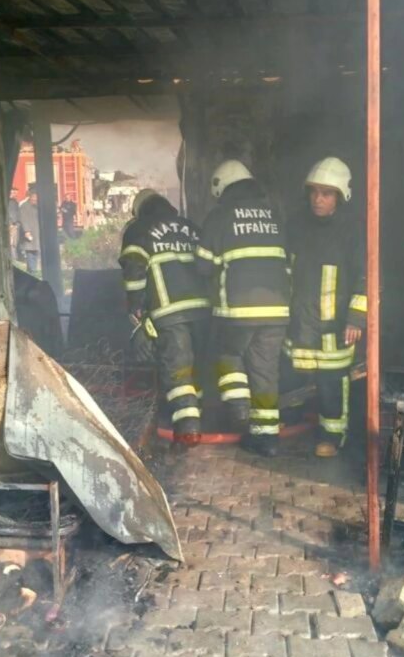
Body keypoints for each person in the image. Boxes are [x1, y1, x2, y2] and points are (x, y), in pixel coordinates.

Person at [196, 160, 289, 457]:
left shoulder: (220, 216)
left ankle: (239, 412)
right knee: (265, 371)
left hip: (236, 312)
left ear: (222, 186)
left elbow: (202, 266)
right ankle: (267, 438)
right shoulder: (274, 214)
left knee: (227, 356)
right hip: (277, 312)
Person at [285, 157, 366, 458]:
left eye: (327, 193)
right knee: (291, 374)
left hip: (335, 327)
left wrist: (356, 318)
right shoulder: (296, 225)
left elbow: (366, 276)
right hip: (300, 322)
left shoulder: (352, 231)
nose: (318, 199)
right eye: (314, 192)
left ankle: (332, 436)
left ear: (341, 196)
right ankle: (290, 422)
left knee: (333, 383)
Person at [119, 189, 210, 445]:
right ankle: (197, 415)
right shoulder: (189, 227)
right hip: (204, 310)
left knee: (177, 369)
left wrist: (135, 307)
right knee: (197, 368)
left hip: (170, 312)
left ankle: (187, 428)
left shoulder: (138, 230)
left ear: (138, 210)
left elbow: (134, 270)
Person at [17, 185, 41, 275]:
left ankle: (31, 270)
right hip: (29, 233)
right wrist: (27, 231)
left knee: (35, 251)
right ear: (30, 197)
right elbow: (23, 219)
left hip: (36, 232)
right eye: (34, 198)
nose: (35, 200)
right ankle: (32, 270)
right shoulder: (24, 206)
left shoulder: (36, 206)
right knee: (30, 251)